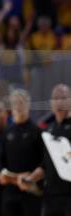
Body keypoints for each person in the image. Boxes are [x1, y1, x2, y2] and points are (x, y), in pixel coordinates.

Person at [21, 84, 71, 216]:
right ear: (51, 103)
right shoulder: (48, 130)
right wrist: (31, 179)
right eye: (56, 98)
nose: (59, 102)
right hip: (50, 196)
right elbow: (45, 164)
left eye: (63, 98)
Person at [0, 89, 43, 216]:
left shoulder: (37, 132)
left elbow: (44, 163)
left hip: (30, 193)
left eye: (21, 102)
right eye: (15, 103)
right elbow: (1, 162)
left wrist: (31, 178)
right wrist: (3, 174)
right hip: (10, 194)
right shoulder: (7, 132)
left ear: (28, 105)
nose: (18, 106)